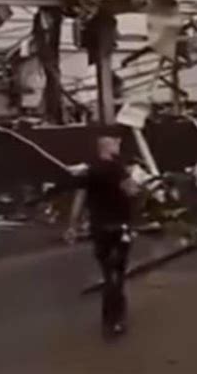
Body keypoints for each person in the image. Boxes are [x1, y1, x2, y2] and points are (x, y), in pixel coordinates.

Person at [65, 134, 138, 338]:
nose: (119, 147)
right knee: (119, 273)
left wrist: (72, 227)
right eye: (116, 144)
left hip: (99, 229)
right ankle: (118, 319)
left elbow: (78, 201)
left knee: (107, 273)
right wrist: (133, 180)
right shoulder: (118, 168)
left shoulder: (87, 171)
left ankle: (108, 320)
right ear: (108, 147)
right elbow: (132, 191)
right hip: (120, 227)